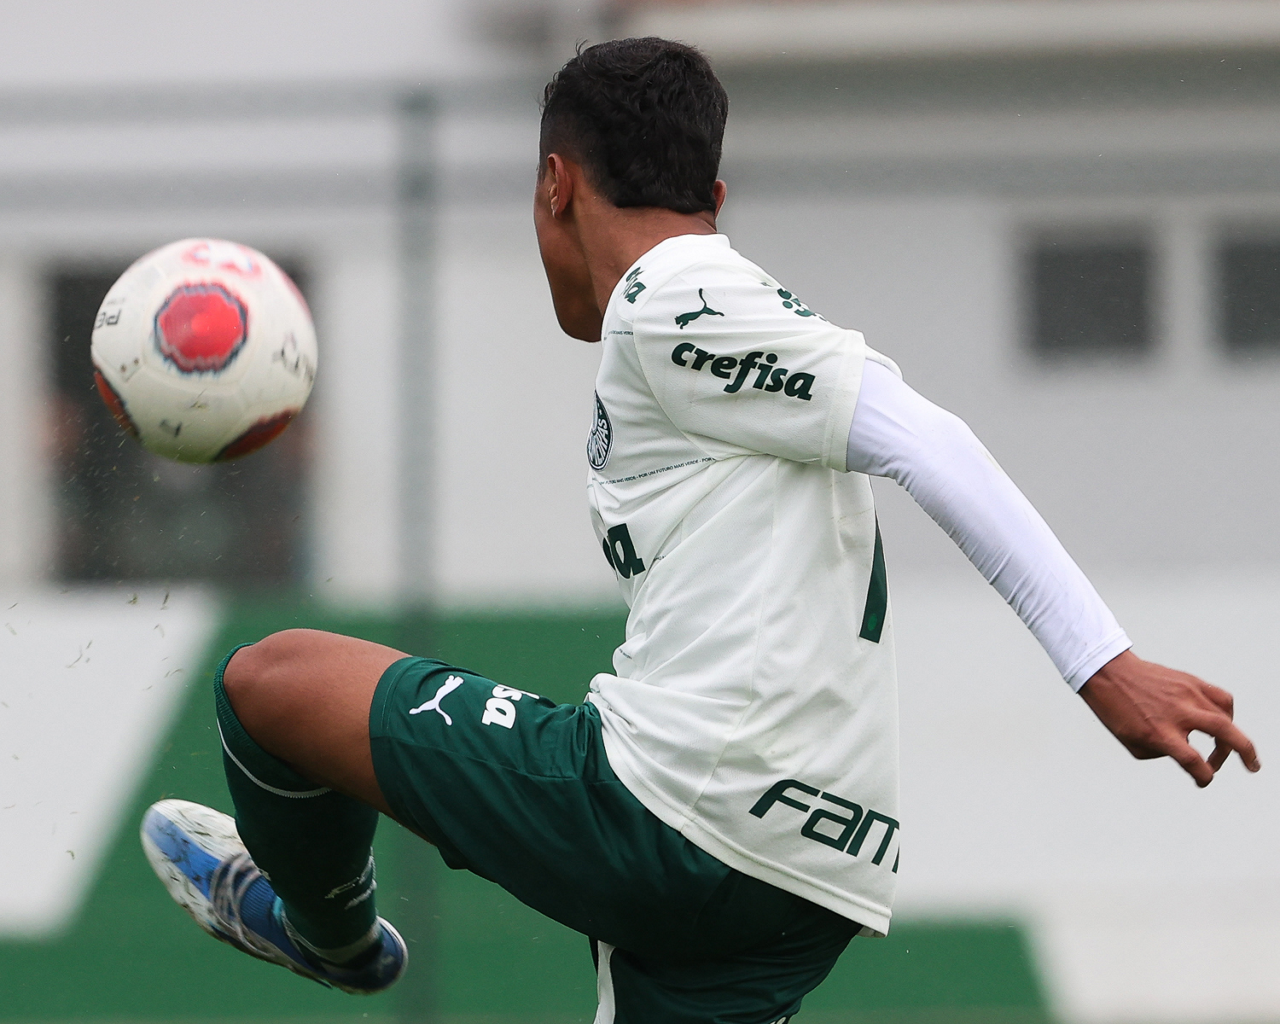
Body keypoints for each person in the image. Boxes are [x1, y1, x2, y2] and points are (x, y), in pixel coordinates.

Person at [141, 37, 1261, 1024]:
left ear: (554, 184)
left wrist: (1104, 665)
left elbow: (932, 440)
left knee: (272, 683)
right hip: (807, 871)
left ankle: (329, 938)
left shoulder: (671, 297)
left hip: (675, 811)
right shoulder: (728, 324)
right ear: (714, 190)